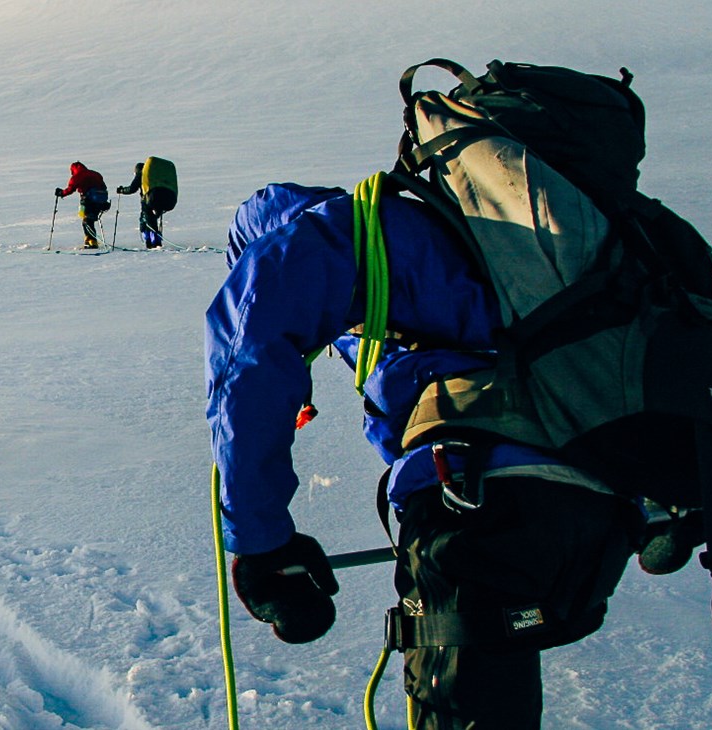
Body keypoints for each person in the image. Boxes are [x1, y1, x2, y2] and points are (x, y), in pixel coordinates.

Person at [208, 183, 639, 728]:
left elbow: (248, 361)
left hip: (473, 501)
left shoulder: (323, 237)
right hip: (604, 497)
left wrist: (262, 543)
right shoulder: (461, 233)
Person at [115, 157, 177, 249]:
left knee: (145, 221)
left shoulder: (141, 174)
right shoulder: (153, 177)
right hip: (165, 198)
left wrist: (121, 190)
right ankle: (156, 240)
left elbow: (132, 188)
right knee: (152, 220)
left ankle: (152, 242)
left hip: (149, 201)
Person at [54, 161, 111, 248]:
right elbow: (103, 186)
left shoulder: (77, 176)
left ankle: (91, 241)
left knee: (87, 220)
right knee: (90, 220)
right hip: (101, 200)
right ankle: (91, 240)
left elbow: (70, 189)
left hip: (89, 201)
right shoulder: (95, 174)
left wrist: (61, 193)